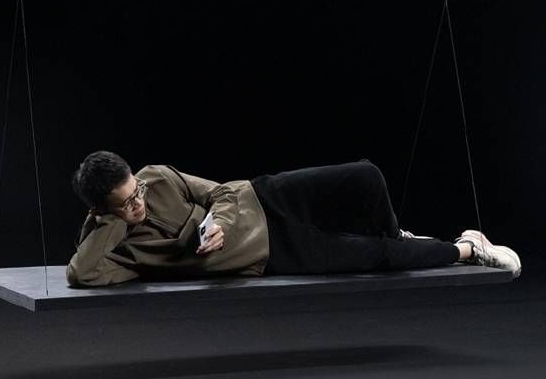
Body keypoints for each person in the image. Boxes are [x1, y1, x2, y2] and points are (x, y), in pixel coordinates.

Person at [66, 151, 522, 288]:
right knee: (380, 257)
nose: (139, 203)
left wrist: (217, 223)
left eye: (137, 191)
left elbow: (221, 190)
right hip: (273, 255)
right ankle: (468, 248)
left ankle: (400, 237)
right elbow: (82, 273)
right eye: (125, 203)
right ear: (100, 210)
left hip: (263, 197)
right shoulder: (113, 244)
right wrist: (113, 223)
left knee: (365, 176)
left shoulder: (156, 177)